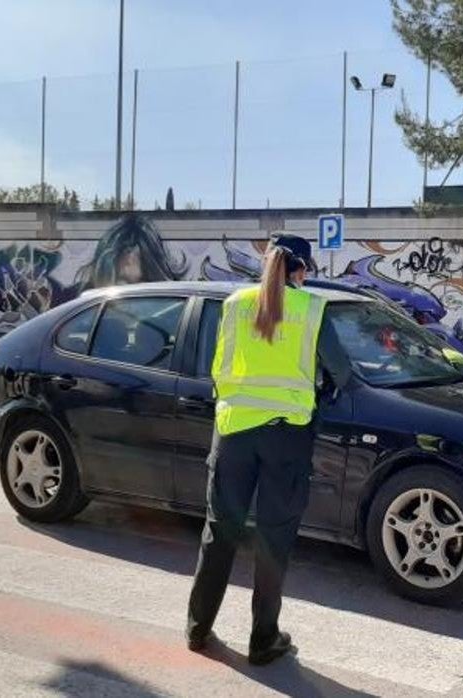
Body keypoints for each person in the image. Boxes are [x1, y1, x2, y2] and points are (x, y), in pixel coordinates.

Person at [185, 234, 327, 666]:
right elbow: (338, 369)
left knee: (219, 531)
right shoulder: (311, 308)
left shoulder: (233, 304)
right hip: (285, 438)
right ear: (300, 270)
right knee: (273, 538)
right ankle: (263, 640)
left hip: (232, 432)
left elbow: (220, 366)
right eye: (307, 270)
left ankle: (198, 627)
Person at [73, 213, 186, 292]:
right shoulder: (81, 321)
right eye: (121, 286)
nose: (133, 298)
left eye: (144, 288)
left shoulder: (173, 320)